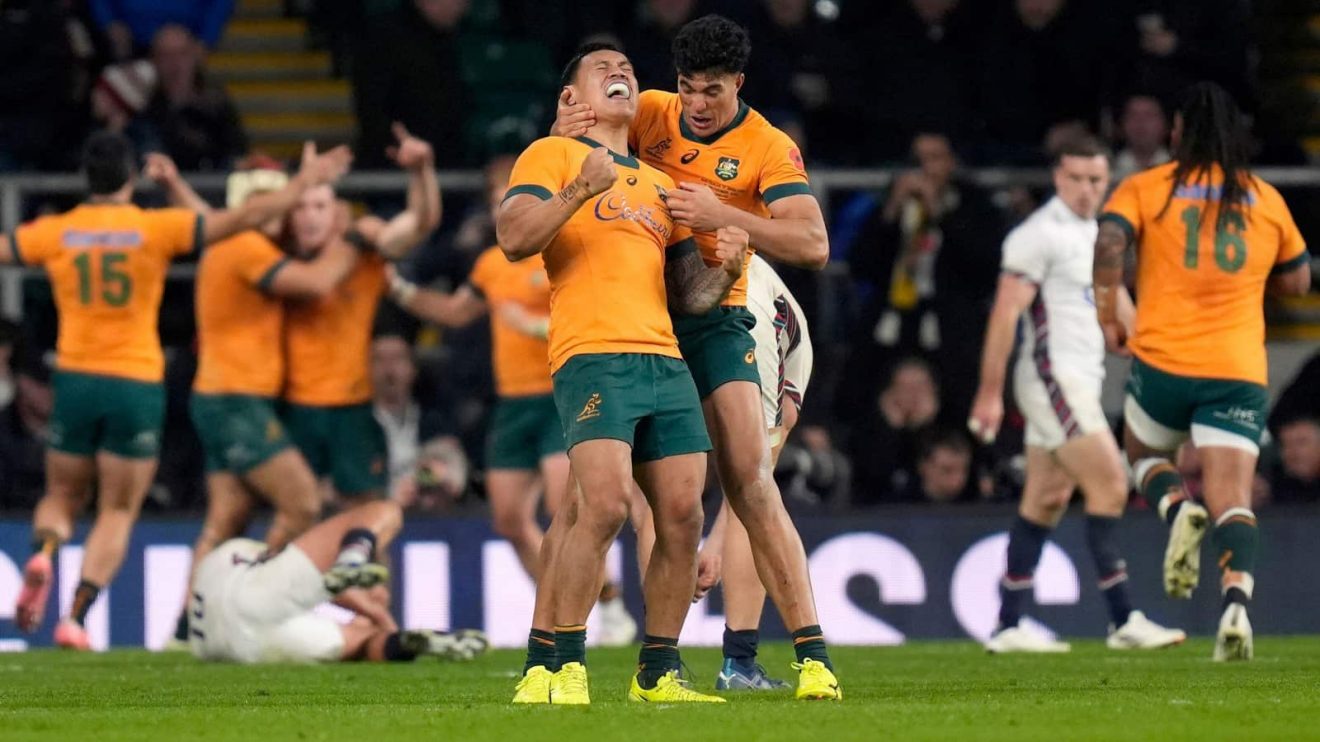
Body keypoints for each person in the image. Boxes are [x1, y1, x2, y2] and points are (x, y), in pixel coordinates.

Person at [553, 15, 841, 701]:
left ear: (739, 83)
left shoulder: (769, 147)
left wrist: (726, 217)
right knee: (592, 502)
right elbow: (573, 129)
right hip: (640, 315)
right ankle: (559, 659)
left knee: (749, 478)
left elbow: (814, 244)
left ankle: (812, 658)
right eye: (687, 88)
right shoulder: (652, 110)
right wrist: (565, 133)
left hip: (713, 319)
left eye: (711, 90)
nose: (696, 105)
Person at [5, 130, 351, 649]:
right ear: (130, 176)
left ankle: (46, 554)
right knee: (117, 510)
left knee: (61, 494)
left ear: (86, 177)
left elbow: (6, 250)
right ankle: (76, 616)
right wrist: (303, 181)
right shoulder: (154, 228)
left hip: (75, 377)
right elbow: (236, 221)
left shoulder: (58, 231)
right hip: (136, 381)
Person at [498, 42, 747, 705]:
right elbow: (514, 236)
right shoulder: (549, 157)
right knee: (603, 507)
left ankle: (659, 672)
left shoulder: (661, 184)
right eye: (603, 69)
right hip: (593, 352)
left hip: (665, 357)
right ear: (571, 99)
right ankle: (565, 663)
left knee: (682, 515)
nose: (621, 74)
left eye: (629, 70)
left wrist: (724, 263)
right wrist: (580, 185)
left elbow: (688, 295)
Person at [1093, 82, 1311, 661]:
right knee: (1234, 498)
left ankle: (1175, 507)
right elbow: (1298, 281)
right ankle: (1236, 605)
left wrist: (1106, 312)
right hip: (1237, 369)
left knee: (1141, 453)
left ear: (1174, 134)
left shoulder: (1147, 188)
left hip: (1164, 363)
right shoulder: (1265, 199)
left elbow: (1109, 239)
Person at [383, 160, 638, 646]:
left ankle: (596, 612)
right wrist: (398, 289)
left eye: (516, 188)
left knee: (567, 508)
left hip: (561, 392)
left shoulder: (563, 248)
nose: (508, 198)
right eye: (500, 192)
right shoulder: (490, 262)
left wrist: (539, 328)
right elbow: (457, 312)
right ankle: (573, 604)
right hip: (513, 401)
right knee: (508, 518)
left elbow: (595, 308)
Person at [969, 135, 1185, 653]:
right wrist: (989, 393)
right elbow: (1006, 313)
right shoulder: (1038, 235)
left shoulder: (1097, 236)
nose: (1087, 189)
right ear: (1058, 178)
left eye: (1096, 179)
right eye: (1077, 179)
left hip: (1079, 380)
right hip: (1052, 379)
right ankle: (1124, 618)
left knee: (1046, 498)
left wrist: (1168, 364)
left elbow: (1124, 319)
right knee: (1111, 483)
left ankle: (1008, 624)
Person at [146, 152, 364, 648]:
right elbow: (315, 283)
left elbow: (209, 219)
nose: (286, 212)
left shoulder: (232, 240)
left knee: (225, 520)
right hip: (236, 400)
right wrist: (355, 237)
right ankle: (248, 608)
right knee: (301, 502)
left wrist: (177, 185)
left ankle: (186, 629)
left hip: (221, 397)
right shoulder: (246, 246)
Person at [639, 253, 814, 690]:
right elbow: (756, 478)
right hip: (739, 320)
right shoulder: (776, 321)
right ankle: (739, 662)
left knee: (655, 489)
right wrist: (714, 543)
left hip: (646, 296)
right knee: (754, 488)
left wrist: (712, 543)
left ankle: (663, 661)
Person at [282, 123, 442, 508]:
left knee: (368, 518)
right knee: (295, 517)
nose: (310, 217)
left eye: (319, 206)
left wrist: (421, 171)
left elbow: (418, 224)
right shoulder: (273, 254)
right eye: (300, 207)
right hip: (290, 407)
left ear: (337, 211)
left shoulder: (366, 248)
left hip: (352, 408)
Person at [189, 499, 488, 664]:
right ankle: (354, 556)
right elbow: (323, 584)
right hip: (251, 636)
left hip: (218, 645)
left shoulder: (226, 556)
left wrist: (372, 611)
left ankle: (406, 642)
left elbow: (312, 584)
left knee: (362, 643)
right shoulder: (274, 570)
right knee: (385, 511)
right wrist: (376, 613)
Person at [134, 25, 248, 171]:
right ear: (153, 61)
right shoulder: (143, 108)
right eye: (166, 55)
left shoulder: (217, 105)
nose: (175, 64)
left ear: (195, 56)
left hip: (214, 187)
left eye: (182, 53)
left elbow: (238, 154)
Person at [1112, 93, 1171, 182]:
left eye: (1149, 115)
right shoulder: (1109, 169)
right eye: (1133, 115)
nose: (1141, 122)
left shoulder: (1178, 168)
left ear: (1165, 125)